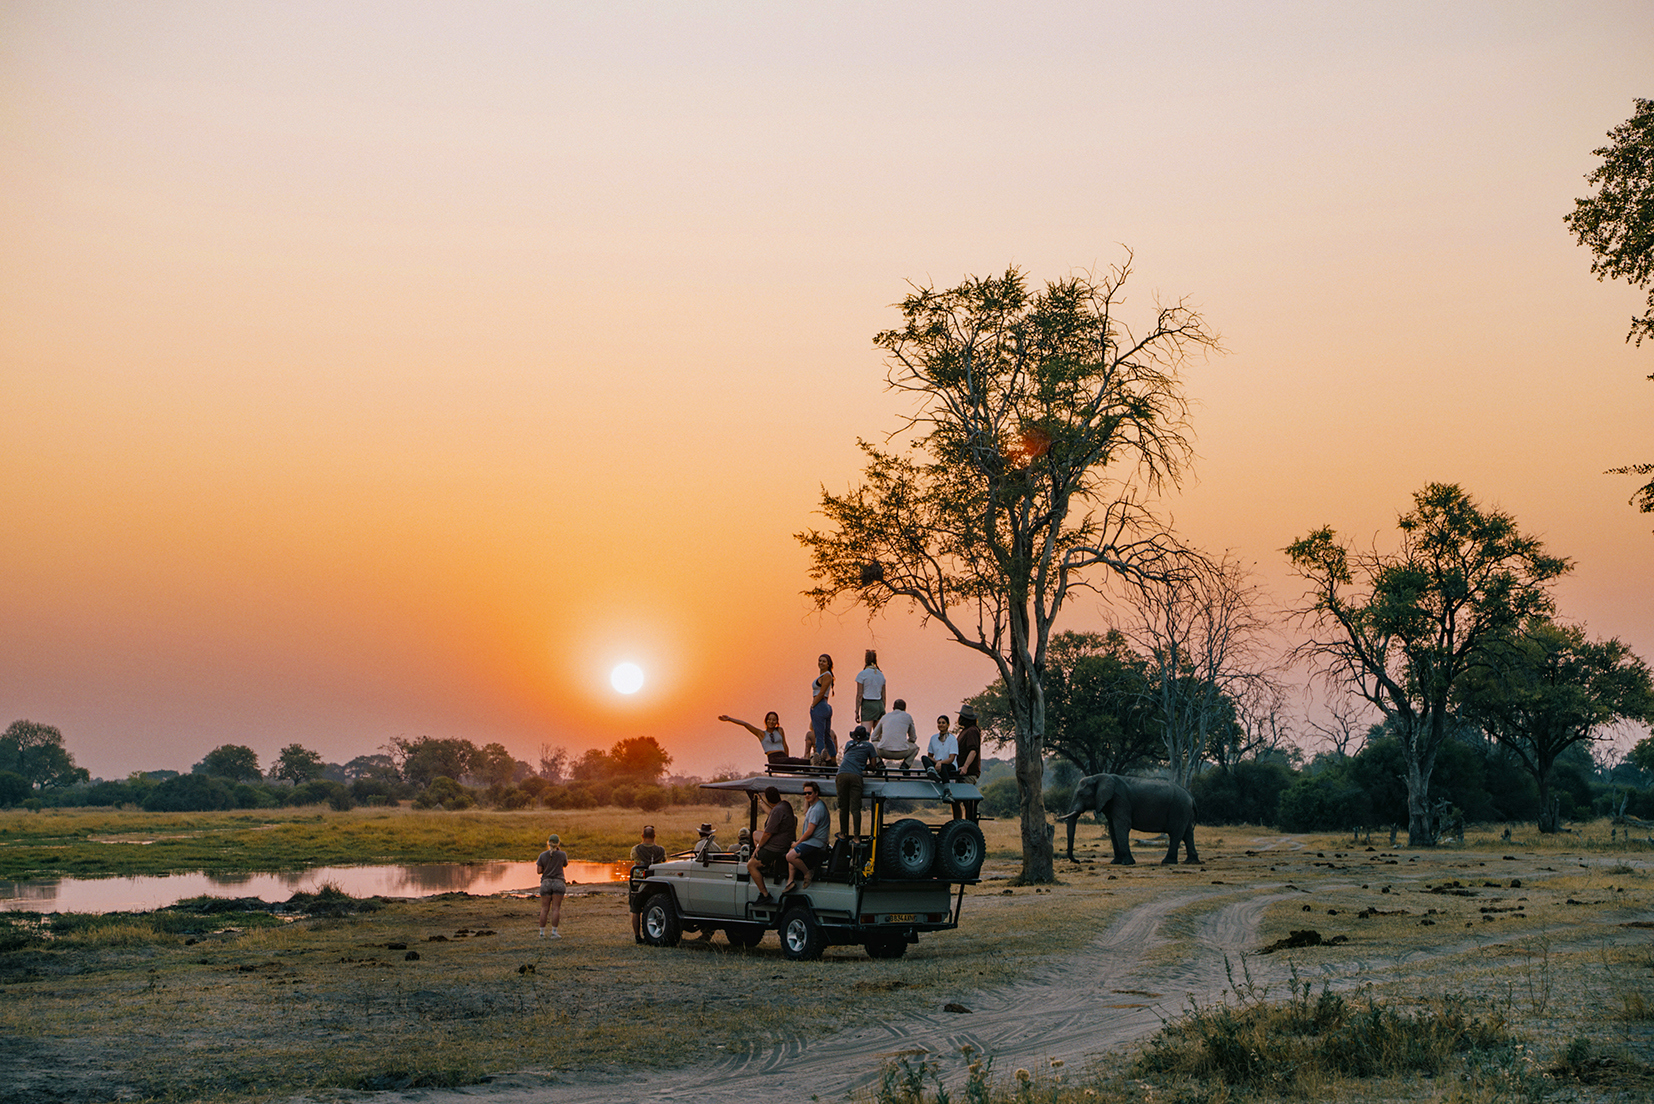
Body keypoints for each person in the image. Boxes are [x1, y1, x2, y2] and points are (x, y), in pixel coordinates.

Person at [746, 785, 795, 904]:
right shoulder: (785, 805)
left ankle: (764, 894)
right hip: (784, 842)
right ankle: (764, 863)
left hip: (777, 846)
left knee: (750, 865)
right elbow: (773, 813)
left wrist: (759, 848)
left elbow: (767, 834)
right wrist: (762, 803)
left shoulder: (777, 810)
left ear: (768, 799)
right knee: (755, 834)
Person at [835, 724, 879, 841]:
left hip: (842, 774)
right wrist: (864, 766)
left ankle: (843, 833)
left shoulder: (849, 744)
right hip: (856, 776)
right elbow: (874, 765)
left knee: (843, 806)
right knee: (855, 808)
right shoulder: (869, 746)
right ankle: (856, 837)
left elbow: (848, 758)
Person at [784, 781, 830, 892]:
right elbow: (805, 811)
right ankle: (790, 882)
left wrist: (797, 843)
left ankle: (808, 873)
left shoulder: (817, 809)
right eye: (804, 794)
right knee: (791, 850)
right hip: (812, 841)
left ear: (816, 793)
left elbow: (809, 831)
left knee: (790, 856)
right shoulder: (813, 806)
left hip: (816, 842)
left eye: (809, 793)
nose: (806, 796)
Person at [628, 825, 667, 943]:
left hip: (638, 883)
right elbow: (664, 861)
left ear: (642, 836)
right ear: (654, 836)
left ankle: (637, 936)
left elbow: (632, 858)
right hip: (655, 883)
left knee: (635, 910)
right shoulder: (661, 850)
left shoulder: (636, 849)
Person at [719, 712, 803, 766]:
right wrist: (729, 719)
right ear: (766, 721)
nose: (771, 721)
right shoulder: (761, 734)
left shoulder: (780, 730)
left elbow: (784, 744)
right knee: (795, 761)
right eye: (769, 719)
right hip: (774, 758)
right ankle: (809, 763)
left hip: (784, 757)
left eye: (774, 720)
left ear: (777, 722)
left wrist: (787, 758)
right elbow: (745, 724)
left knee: (796, 762)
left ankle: (811, 764)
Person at [871, 698, 919, 769]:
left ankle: (879, 763)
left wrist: (882, 741)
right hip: (901, 752)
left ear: (893, 708)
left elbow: (873, 737)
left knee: (871, 745)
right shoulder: (907, 717)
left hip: (884, 751)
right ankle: (905, 765)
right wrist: (906, 743)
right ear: (905, 709)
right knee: (916, 748)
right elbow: (913, 738)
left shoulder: (885, 717)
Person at [536, 833, 567, 939]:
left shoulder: (542, 855)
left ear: (548, 843)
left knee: (544, 908)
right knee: (556, 909)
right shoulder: (562, 854)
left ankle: (541, 933)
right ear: (558, 843)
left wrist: (547, 868)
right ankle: (554, 932)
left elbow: (539, 871)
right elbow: (565, 864)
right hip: (558, 882)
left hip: (546, 883)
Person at [954, 706, 982, 820]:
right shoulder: (965, 731)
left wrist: (965, 766)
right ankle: (959, 824)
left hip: (968, 773)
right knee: (956, 800)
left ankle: (968, 826)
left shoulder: (972, 731)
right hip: (961, 772)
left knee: (967, 802)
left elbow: (973, 750)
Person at [808, 654, 835, 762]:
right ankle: (832, 759)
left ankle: (819, 759)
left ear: (828, 664)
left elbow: (822, 692)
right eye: (820, 660)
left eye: (824, 661)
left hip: (820, 705)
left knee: (819, 736)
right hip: (824, 706)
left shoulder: (827, 675)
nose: (821, 663)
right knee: (826, 735)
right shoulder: (823, 675)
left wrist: (813, 705)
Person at [854, 649, 887, 727]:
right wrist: (883, 708)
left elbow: (859, 695)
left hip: (868, 704)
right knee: (877, 736)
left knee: (865, 734)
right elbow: (884, 696)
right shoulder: (881, 675)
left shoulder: (862, 674)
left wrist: (857, 711)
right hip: (879, 705)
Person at [922, 714, 959, 780]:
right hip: (937, 763)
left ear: (948, 725)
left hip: (949, 765)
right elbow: (930, 756)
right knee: (924, 758)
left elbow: (951, 758)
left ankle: (946, 786)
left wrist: (940, 762)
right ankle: (932, 772)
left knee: (943, 767)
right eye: (939, 723)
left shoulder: (952, 739)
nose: (941, 725)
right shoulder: (933, 738)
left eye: (943, 723)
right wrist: (936, 762)